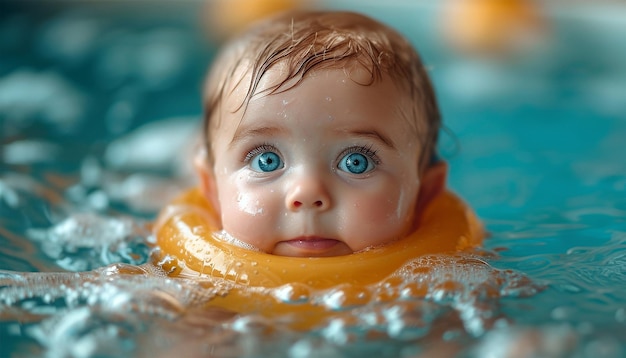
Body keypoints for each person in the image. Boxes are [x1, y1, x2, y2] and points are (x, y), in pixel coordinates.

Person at [193, 10, 448, 258]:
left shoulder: (451, 278)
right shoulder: (186, 283)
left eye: (356, 162)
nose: (307, 192)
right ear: (212, 189)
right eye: (266, 160)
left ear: (424, 193)